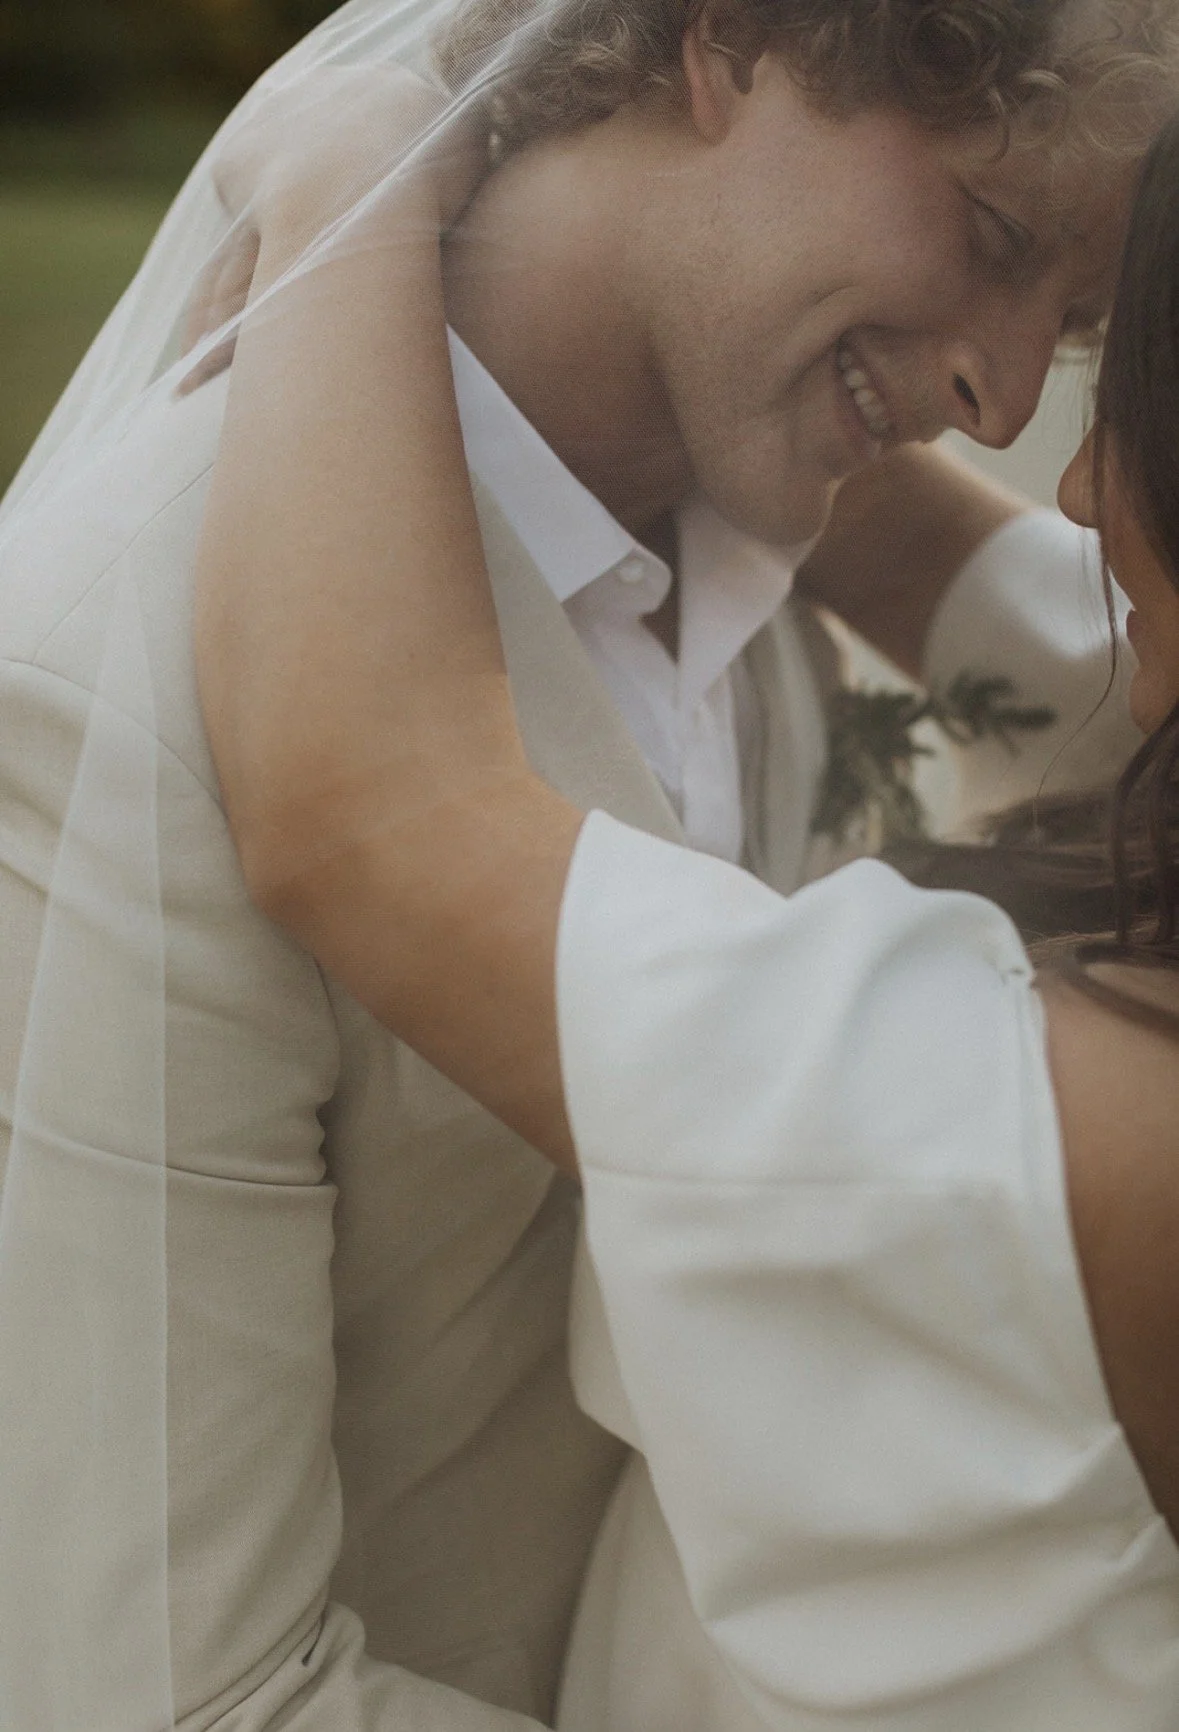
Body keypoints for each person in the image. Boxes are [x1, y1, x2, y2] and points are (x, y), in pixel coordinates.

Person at [0, 3, 1174, 1730]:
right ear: (732, 39)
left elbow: (380, 811)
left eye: (1069, 332)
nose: (1000, 404)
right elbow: (156, 1695)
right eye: (992, 236)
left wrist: (353, 191)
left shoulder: (757, 593)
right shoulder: (105, 681)